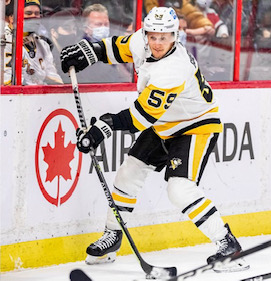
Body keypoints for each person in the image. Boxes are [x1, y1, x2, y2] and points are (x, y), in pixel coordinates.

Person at [61, 6, 249, 272]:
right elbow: (117, 48)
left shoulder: (174, 69)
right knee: (128, 173)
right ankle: (113, 235)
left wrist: (103, 126)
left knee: (180, 189)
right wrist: (89, 52)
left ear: (175, 36)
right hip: (162, 124)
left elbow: (140, 118)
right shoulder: (142, 40)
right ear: (146, 33)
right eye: (153, 36)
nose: (157, 42)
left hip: (195, 126)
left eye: (164, 37)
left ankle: (227, 243)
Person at [3, 0, 63, 85]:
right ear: (12, 17)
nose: (34, 17)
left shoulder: (43, 44)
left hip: (40, 95)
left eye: (37, 13)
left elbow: (53, 77)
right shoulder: (4, 42)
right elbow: (7, 82)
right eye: (28, 13)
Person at [76, 3, 131, 83]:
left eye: (106, 24)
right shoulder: (79, 50)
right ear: (86, 28)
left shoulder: (113, 44)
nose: (103, 28)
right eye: (98, 24)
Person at [48, 10, 78, 83]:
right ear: (53, 32)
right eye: (67, 28)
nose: (73, 33)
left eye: (74, 28)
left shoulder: (76, 53)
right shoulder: (47, 56)